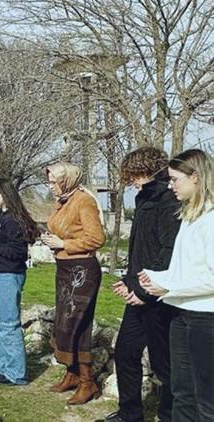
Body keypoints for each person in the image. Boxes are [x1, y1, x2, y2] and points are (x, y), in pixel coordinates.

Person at [104, 147, 180, 422]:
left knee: (163, 363)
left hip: (158, 297)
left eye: (134, 175)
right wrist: (129, 281)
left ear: (149, 171)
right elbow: (140, 249)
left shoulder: (167, 200)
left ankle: (169, 414)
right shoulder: (143, 198)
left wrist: (144, 291)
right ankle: (130, 413)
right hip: (138, 293)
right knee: (125, 353)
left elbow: (167, 251)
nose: (131, 181)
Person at [139, 148, 214, 422]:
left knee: (207, 399)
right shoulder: (190, 216)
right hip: (181, 314)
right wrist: (158, 279)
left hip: (206, 318)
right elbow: (186, 269)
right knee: (182, 392)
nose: (170, 186)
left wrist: (171, 288)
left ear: (195, 177)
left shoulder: (211, 220)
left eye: (174, 179)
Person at [41, 162, 105, 405]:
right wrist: (52, 241)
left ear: (66, 181)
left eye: (54, 182)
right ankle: (73, 373)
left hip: (82, 271)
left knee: (76, 324)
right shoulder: (64, 201)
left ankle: (88, 382)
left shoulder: (84, 201)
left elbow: (96, 238)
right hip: (65, 269)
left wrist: (63, 244)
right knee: (65, 323)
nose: (51, 186)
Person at [0, 178, 40, 386]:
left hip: (9, 275)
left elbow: (18, 252)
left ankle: (16, 373)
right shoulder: (4, 217)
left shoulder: (12, 220)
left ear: (2, 195)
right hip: (1, 274)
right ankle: (4, 368)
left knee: (7, 323)